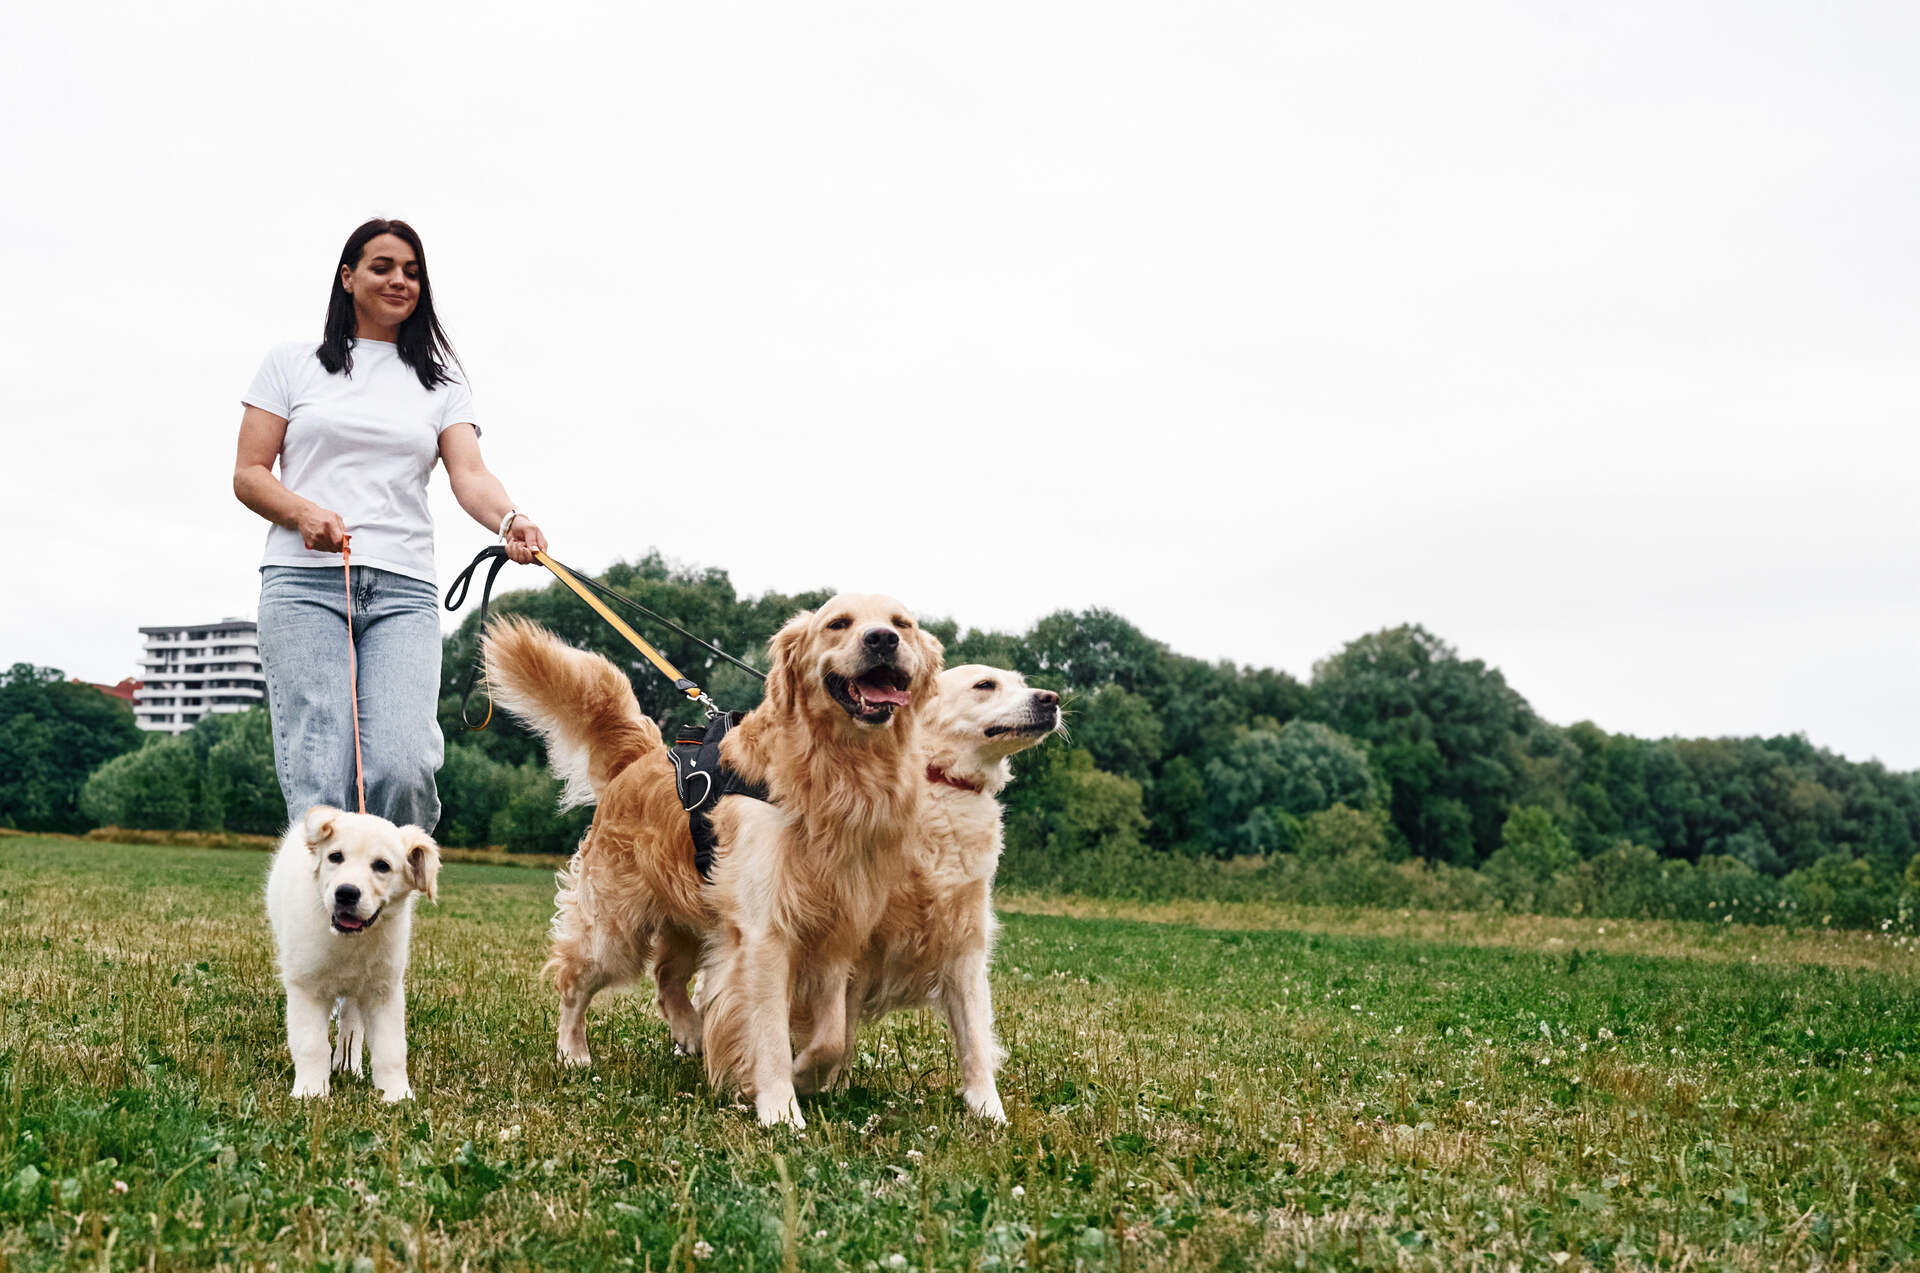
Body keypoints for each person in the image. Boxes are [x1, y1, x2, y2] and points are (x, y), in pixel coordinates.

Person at [233, 218, 546, 829]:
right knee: (321, 769)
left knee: (403, 765)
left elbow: (469, 474)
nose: (400, 280)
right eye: (382, 267)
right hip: (305, 584)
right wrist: (302, 512)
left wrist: (510, 517)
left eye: (412, 271)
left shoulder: (441, 381)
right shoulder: (291, 363)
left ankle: (389, 897)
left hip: (404, 591)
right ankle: (323, 913)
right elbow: (249, 473)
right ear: (348, 277)